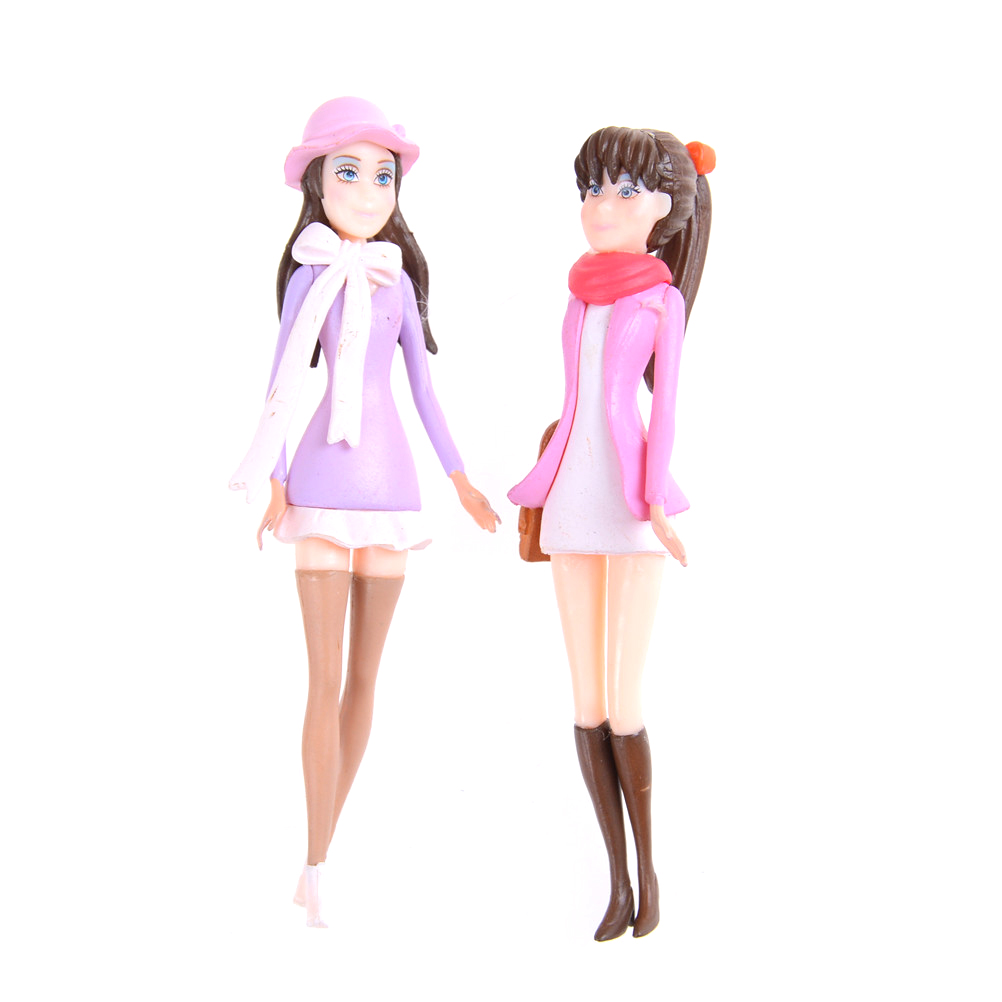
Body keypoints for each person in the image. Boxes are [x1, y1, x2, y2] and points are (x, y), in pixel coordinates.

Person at [231, 97, 498, 927]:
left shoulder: (396, 281)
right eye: (349, 172)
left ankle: (320, 855)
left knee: (366, 677)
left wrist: (461, 480)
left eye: (383, 176)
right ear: (316, 182)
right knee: (322, 676)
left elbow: (424, 392)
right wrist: (274, 478)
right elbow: (281, 382)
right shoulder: (307, 276)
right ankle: (316, 861)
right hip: (317, 485)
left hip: (390, 490)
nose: (368, 191)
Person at [509, 125, 713, 940]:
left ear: (662, 208)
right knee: (586, 696)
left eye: (624, 192)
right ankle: (616, 879)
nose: (601, 206)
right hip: (570, 494)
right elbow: (573, 398)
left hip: (630, 502)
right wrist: (540, 476)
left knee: (625, 699)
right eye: (592, 190)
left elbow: (666, 410)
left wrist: (655, 498)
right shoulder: (578, 294)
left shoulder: (661, 300)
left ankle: (649, 872)